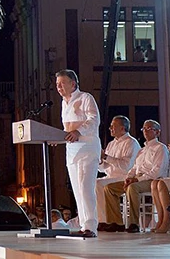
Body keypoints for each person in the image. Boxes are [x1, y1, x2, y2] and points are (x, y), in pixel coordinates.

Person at [102, 119, 170, 232]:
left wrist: (137, 179)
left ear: (157, 132)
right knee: (109, 188)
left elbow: (157, 171)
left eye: (149, 129)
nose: (145, 131)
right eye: (144, 129)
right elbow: (134, 168)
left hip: (152, 181)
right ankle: (116, 222)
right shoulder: (142, 151)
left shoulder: (160, 148)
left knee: (132, 188)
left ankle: (134, 223)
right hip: (137, 179)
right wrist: (129, 177)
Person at [56, 69, 100, 237]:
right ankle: (83, 226)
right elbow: (67, 129)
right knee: (77, 190)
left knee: (86, 188)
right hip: (72, 151)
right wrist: (58, 138)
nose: (59, 87)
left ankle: (91, 227)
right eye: (57, 84)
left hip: (87, 149)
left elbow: (93, 120)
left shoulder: (85, 98)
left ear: (73, 84)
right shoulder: (63, 103)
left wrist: (78, 131)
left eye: (62, 83)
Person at [96, 115, 140, 229]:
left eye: (113, 126)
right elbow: (104, 169)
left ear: (122, 128)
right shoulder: (111, 144)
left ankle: (108, 221)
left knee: (99, 184)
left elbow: (126, 166)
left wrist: (106, 157)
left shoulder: (131, 143)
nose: (110, 128)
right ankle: (101, 219)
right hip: (110, 176)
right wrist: (100, 160)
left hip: (124, 177)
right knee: (93, 182)